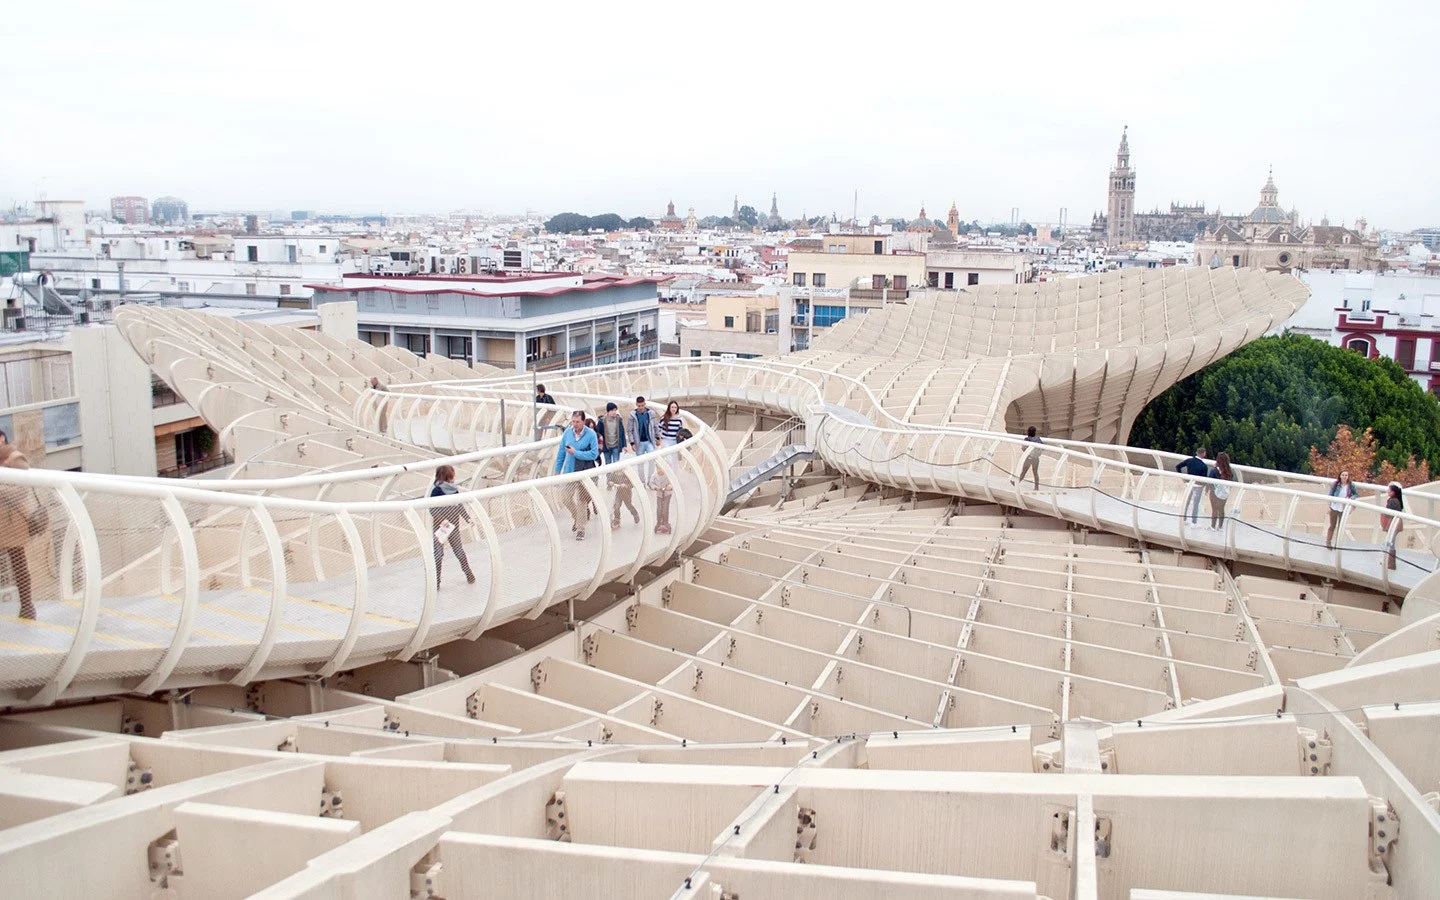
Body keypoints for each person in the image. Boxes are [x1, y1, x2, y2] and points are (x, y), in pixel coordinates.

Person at [0, 436, 39, 620]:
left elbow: (23, 490)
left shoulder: (15, 458)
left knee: (19, 564)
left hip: (12, 520)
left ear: (2, 438)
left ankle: (27, 605)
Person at [554, 410, 599, 540]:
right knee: (565, 498)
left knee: (582, 501)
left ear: (583, 421)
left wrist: (576, 453)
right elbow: (561, 452)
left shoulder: (591, 434)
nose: (575, 424)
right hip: (569, 472)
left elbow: (594, 454)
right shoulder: (568, 433)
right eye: (573, 421)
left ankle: (581, 529)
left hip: (584, 473)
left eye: (577, 422)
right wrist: (558, 471)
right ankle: (578, 517)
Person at [429, 465, 475, 589]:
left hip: (453, 527)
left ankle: (469, 574)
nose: (455, 477)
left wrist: (467, 518)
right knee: (438, 555)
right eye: (453, 474)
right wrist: (442, 519)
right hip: (441, 529)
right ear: (448, 476)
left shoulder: (454, 490)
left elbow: (459, 505)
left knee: (459, 552)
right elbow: (432, 509)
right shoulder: (436, 491)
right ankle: (436, 582)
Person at [649, 427, 690, 535]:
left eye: (661, 469)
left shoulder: (669, 475)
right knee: (659, 509)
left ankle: (666, 522)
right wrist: (655, 487)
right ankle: (659, 522)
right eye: (658, 469)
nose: (659, 471)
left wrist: (670, 486)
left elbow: (673, 482)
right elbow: (651, 483)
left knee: (665, 508)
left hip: (667, 494)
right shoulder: (654, 475)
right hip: (659, 494)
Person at [626, 396, 661, 476]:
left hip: (649, 441)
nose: (641, 407)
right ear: (636, 405)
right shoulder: (632, 415)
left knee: (652, 460)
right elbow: (629, 430)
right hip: (639, 443)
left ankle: (650, 480)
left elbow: (655, 426)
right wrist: (632, 443)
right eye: (639, 406)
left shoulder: (651, 413)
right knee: (640, 463)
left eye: (642, 405)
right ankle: (642, 481)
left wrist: (658, 438)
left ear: (645, 404)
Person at [1326, 470, 1358, 550]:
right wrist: (1329, 506)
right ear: (1340, 476)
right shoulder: (1336, 484)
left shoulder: (1351, 485)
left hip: (1343, 508)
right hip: (1334, 506)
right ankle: (1328, 542)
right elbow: (1330, 495)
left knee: (1341, 527)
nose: (1344, 476)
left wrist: (1350, 498)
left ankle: (1338, 544)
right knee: (1332, 526)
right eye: (1343, 475)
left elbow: (1355, 494)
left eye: (1346, 475)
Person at [1176, 447, 1209, 525]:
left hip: (1189, 483)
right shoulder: (1203, 466)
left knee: (1186, 501)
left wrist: (1183, 477)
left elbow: (1178, 467)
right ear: (1203, 453)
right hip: (1198, 486)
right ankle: (1194, 522)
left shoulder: (1189, 461)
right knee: (1196, 504)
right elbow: (1204, 479)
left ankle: (1184, 519)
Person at [1379, 481, 1404, 570]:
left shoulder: (1393, 501)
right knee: (1390, 543)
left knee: (1390, 543)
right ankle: (1389, 563)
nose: (1387, 492)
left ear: (1392, 492)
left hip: (1393, 525)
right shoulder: (1397, 500)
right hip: (1395, 524)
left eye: (1389, 491)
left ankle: (1391, 564)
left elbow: (1389, 514)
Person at [1207, 451, 1234, 530]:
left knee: (1214, 509)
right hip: (1225, 492)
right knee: (1221, 509)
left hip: (1214, 492)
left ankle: (1212, 526)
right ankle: (1220, 526)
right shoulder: (1229, 471)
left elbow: (1210, 480)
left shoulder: (1214, 470)